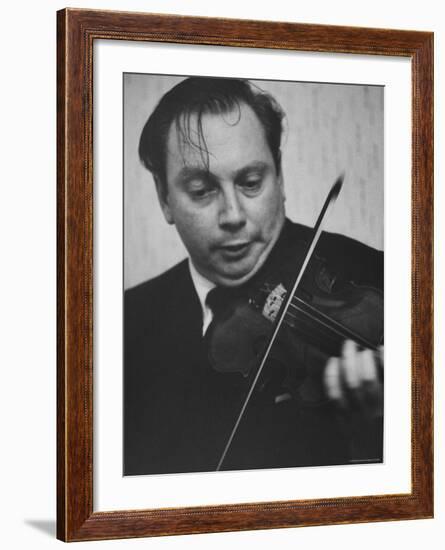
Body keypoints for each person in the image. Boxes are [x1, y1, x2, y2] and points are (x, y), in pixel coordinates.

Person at [124, 77, 383, 476]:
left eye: (250, 183)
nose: (233, 216)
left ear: (279, 177)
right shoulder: (124, 326)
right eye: (201, 190)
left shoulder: (385, 280)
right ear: (164, 198)